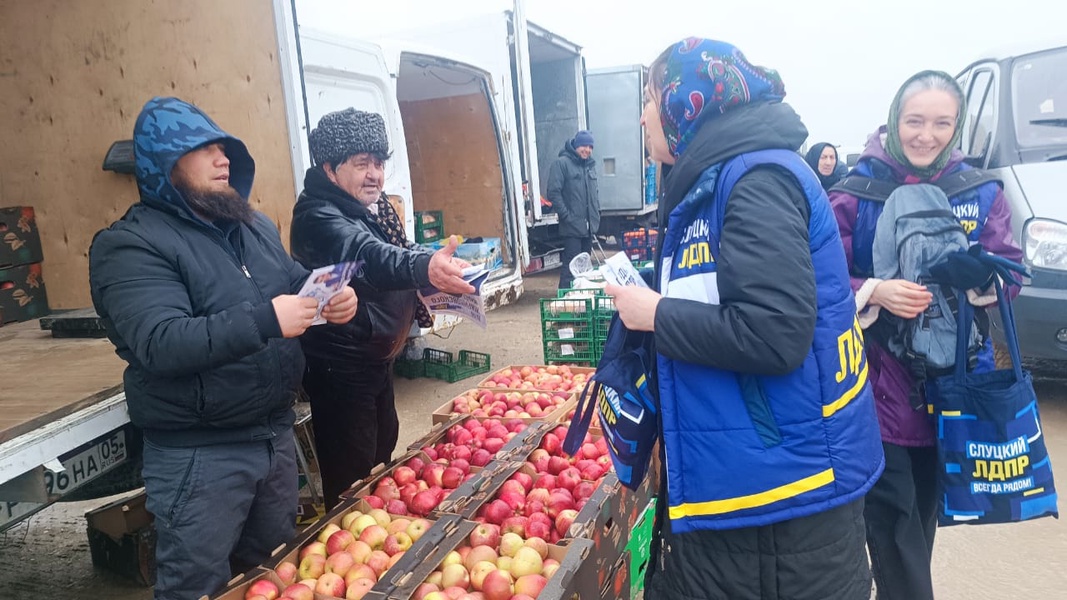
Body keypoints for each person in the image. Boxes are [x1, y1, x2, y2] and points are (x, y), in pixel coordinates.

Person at [606, 38, 885, 599]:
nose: (641, 115)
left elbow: (774, 333)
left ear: (688, 101)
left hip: (780, 509)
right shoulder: (716, 177)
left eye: (650, 97)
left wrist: (656, 314)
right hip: (751, 481)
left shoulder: (755, 180)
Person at [88, 97, 357, 600]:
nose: (223, 159)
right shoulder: (131, 245)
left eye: (224, 148)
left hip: (272, 438)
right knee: (197, 586)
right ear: (165, 165)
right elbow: (161, 341)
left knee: (272, 573)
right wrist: (266, 319)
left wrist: (333, 297)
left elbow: (293, 281)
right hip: (200, 455)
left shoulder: (250, 225)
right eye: (203, 150)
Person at [828, 71, 1022, 600]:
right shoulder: (854, 191)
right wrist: (874, 291)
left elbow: (1011, 271)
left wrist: (982, 280)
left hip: (952, 385)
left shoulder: (978, 190)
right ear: (895, 119)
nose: (926, 135)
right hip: (875, 382)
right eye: (915, 121)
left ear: (957, 126)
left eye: (942, 123)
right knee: (892, 517)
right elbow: (817, 277)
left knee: (924, 514)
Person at [290, 108, 475, 508]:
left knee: (382, 456)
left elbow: (400, 249)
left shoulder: (370, 208)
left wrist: (436, 263)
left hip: (374, 359)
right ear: (330, 168)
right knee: (352, 476)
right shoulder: (318, 215)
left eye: (379, 162)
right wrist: (424, 267)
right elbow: (370, 255)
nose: (375, 173)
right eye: (362, 163)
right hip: (340, 369)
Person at [547, 129, 600, 289]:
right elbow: (553, 192)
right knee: (570, 269)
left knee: (584, 270)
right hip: (572, 228)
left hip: (588, 228)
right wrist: (566, 216)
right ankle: (563, 303)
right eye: (584, 145)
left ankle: (579, 302)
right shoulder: (561, 164)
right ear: (576, 146)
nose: (587, 150)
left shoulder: (590, 166)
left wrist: (597, 214)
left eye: (590, 147)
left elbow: (594, 194)